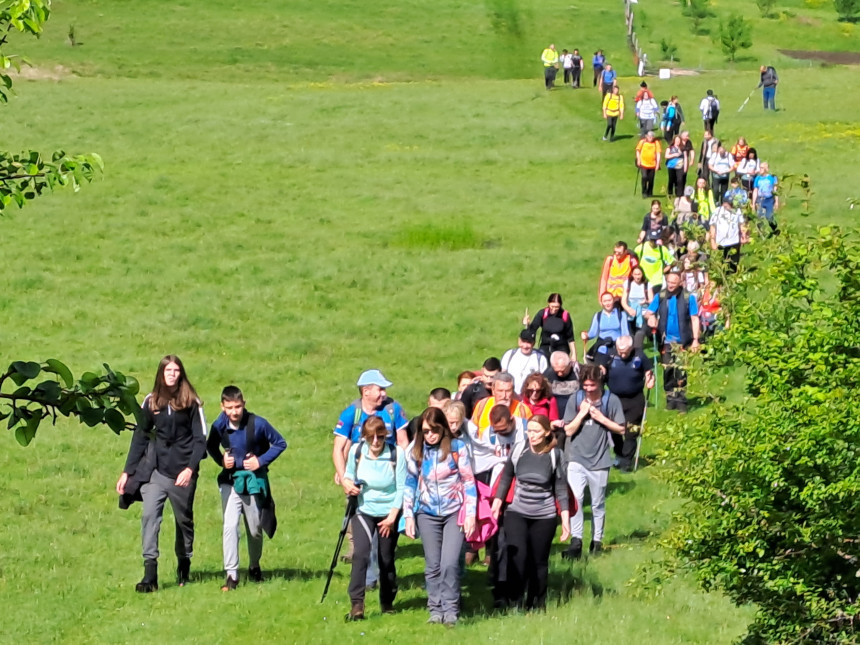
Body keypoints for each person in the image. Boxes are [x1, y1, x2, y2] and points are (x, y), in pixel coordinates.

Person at [116, 355, 207, 593]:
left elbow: (200, 440)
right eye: (168, 370)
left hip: (183, 474)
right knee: (149, 515)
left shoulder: (192, 402)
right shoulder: (151, 401)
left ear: (181, 374)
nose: (172, 374)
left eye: (176, 370)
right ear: (161, 373)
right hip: (156, 472)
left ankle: (184, 562)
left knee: (183, 522)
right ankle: (150, 575)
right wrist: (127, 472)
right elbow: (140, 436)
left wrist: (190, 469)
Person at [207, 386, 287, 591]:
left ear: (244, 404)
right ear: (222, 406)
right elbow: (210, 446)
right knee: (230, 525)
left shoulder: (258, 424)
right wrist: (222, 461)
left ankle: (254, 566)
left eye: (238, 407)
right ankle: (231, 575)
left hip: (253, 482)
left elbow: (280, 443)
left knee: (254, 529)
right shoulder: (219, 425)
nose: (234, 411)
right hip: (230, 481)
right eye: (230, 407)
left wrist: (260, 461)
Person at [403, 407, 477, 626]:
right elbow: (409, 482)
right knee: (433, 565)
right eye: (425, 431)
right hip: (426, 513)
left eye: (434, 430)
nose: (430, 435)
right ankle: (435, 609)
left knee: (450, 563)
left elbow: (469, 482)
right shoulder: (416, 451)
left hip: (454, 512)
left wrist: (470, 514)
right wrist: (408, 515)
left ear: (443, 427)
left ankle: (451, 609)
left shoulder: (457, 448)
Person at [491, 415, 570, 610]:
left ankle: (536, 603)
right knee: (518, 556)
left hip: (545, 515)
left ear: (546, 432)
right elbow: (506, 476)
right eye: (529, 430)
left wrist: (566, 520)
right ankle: (514, 598)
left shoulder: (555, 455)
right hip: (517, 511)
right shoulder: (519, 449)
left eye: (536, 431)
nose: (532, 435)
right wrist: (497, 502)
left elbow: (561, 489)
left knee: (539, 561)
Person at [342, 416, 407, 620]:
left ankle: (387, 601)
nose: (376, 441)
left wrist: (392, 517)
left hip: (389, 513)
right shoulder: (357, 451)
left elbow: (402, 488)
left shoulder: (397, 454)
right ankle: (357, 605)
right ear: (365, 437)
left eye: (380, 436)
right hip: (363, 510)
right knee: (360, 554)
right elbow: (348, 475)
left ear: (385, 435)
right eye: (371, 437)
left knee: (385, 558)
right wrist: (348, 484)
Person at [561, 364, 626, 558]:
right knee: (577, 501)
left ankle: (597, 542)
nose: (588, 389)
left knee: (597, 504)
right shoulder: (576, 399)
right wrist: (581, 414)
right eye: (585, 385)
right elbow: (568, 430)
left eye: (592, 385)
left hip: (600, 461)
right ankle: (576, 541)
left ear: (600, 382)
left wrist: (601, 418)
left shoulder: (611, 400)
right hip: (576, 459)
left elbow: (621, 429)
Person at [646, 268, 701, 412]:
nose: (670, 285)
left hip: (683, 341)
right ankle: (670, 399)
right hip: (666, 341)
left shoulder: (689, 298)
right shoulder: (661, 296)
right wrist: (650, 317)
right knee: (668, 370)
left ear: (680, 282)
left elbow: (695, 319)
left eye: (673, 282)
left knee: (681, 371)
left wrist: (696, 340)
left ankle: (681, 400)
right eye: (668, 282)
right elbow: (648, 312)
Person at [603, 337, 654, 471]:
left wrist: (650, 379)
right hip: (614, 398)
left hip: (634, 399)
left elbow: (649, 371)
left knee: (631, 431)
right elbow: (602, 369)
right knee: (614, 429)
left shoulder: (639, 355)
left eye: (625, 352)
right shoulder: (611, 355)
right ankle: (619, 454)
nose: (623, 355)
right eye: (620, 351)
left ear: (631, 348)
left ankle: (626, 461)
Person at [524, 292, 576, 360]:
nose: (554, 309)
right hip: (545, 347)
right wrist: (527, 324)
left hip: (561, 349)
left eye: (557, 307)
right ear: (548, 303)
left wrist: (574, 354)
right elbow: (532, 330)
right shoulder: (542, 314)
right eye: (552, 306)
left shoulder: (565, 316)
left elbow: (570, 337)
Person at [581, 291, 628, 363]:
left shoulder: (621, 315)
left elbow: (625, 333)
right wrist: (586, 335)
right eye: (605, 301)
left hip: (617, 343)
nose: (607, 303)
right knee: (599, 356)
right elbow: (592, 333)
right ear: (601, 303)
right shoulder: (598, 315)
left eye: (609, 300)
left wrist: (623, 345)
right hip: (602, 343)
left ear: (613, 301)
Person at [501, 329, 549, 395]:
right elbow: (502, 375)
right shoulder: (509, 355)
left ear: (533, 343)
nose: (525, 346)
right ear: (519, 341)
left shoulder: (540, 359)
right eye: (523, 342)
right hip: (511, 394)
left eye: (528, 343)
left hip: (530, 397)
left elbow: (543, 380)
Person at [710, 194, 749, 273]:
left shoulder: (737, 211)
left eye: (731, 204)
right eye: (728, 204)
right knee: (722, 264)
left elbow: (741, 224)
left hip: (734, 241)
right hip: (721, 242)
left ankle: (733, 279)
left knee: (733, 263)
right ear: (723, 203)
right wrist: (712, 241)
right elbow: (713, 227)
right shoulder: (717, 211)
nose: (730, 206)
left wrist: (744, 235)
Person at [621, 265, 653, 349]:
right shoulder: (628, 284)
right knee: (631, 336)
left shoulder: (647, 285)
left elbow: (652, 301)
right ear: (632, 274)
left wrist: (645, 301)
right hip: (631, 315)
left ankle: (638, 353)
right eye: (635, 274)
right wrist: (628, 309)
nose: (637, 277)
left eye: (639, 274)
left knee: (639, 335)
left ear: (642, 274)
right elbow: (623, 301)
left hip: (643, 314)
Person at [752, 162, 780, 235]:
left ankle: (774, 227)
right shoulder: (757, 178)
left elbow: (775, 190)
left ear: (766, 169)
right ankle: (761, 233)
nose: (760, 169)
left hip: (769, 199)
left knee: (769, 216)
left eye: (762, 168)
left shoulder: (772, 178)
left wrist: (776, 201)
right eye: (760, 167)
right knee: (759, 216)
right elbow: (755, 190)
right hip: (760, 199)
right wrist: (753, 203)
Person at [635, 131, 661, 198]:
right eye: (649, 136)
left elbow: (658, 153)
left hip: (653, 164)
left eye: (652, 136)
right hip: (643, 163)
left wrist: (658, 164)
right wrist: (638, 159)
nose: (651, 138)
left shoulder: (656, 143)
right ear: (646, 136)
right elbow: (638, 150)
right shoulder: (642, 142)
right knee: (644, 177)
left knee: (651, 179)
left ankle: (650, 192)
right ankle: (644, 192)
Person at [665, 134, 687, 199]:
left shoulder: (683, 149)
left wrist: (685, 167)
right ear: (674, 140)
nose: (678, 141)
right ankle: (670, 192)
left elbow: (685, 158)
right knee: (671, 180)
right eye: (676, 140)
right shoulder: (670, 148)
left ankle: (679, 194)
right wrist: (674, 155)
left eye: (679, 140)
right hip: (671, 166)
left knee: (679, 180)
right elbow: (666, 156)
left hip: (680, 166)